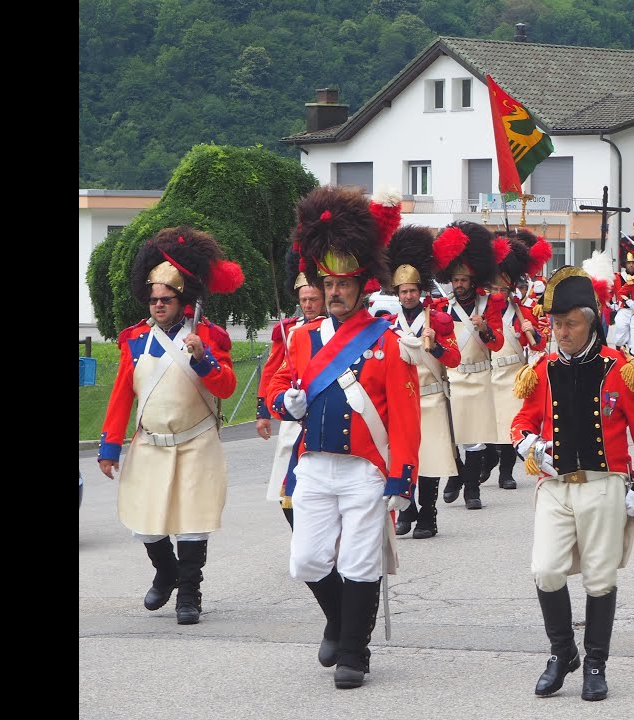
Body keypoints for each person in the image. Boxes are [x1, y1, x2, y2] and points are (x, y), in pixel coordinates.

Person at [265, 185, 419, 690]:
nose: (333, 292)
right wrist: (282, 404)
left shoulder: (386, 341)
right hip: (312, 464)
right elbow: (278, 391)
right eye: (327, 283)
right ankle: (340, 621)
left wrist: (403, 478)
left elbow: (405, 418)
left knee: (359, 561)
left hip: (364, 468)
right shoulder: (302, 338)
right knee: (307, 559)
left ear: (362, 286)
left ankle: (355, 651)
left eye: (342, 284)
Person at [510, 254, 634, 702]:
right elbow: (520, 422)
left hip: (604, 485)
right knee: (546, 569)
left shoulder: (621, 368)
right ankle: (562, 652)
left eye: (571, 323)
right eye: (556, 324)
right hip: (555, 486)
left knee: (600, 577)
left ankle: (595, 662)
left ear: (590, 322)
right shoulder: (541, 370)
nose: (562, 332)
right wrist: (527, 445)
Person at [97, 226, 244, 624]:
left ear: (183, 300)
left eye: (166, 299)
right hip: (150, 441)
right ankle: (166, 571)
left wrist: (203, 359)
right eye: (153, 298)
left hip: (197, 439)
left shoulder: (209, 336)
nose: (158, 304)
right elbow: (122, 396)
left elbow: (227, 388)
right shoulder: (134, 339)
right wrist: (109, 447)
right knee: (145, 521)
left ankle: (190, 594)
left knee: (194, 520)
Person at [386, 225, 461, 539]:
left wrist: (438, 343)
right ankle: (409, 511)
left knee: (429, 459)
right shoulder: (390, 325)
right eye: (403, 291)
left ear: (420, 291)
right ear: (397, 294)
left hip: (430, 396)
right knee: (405, 458)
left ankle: (428, 516)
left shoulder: (437, 320)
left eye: (412, 290)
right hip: (402, 399)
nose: (408, 295)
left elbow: (455, 359)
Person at [432, 221, 504, 509]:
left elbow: (496, 344)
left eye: (464, 280)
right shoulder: (441, 308)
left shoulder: (489, 305)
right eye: (456, 280)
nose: (459, 284)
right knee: (455, 437)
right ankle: (458, 475)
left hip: (480, 377)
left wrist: (485, 327)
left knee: (475, 440)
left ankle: (472, 490)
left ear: (473, 280)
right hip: (453, 378)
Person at [256, 250, 326, 528]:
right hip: (290, 413)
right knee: (285, 489)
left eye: (313, 299)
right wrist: (263, 411)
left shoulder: (335, 329)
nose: (308, 305)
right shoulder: (287, 330)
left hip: (321, 411)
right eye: (303, 300)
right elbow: (272, 371)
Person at [486, 230, 551, 489]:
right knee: (490, 423)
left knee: (512, 420)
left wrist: (531, 332)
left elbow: (540, 344)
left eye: (502, 288)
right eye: (493, 288)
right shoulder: (483, 311)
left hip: (514, 372)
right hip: (489, 371)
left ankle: (506, 472)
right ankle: (488, 460)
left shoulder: (522, 312)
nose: (497, 293)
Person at [608, 239, 634, 350]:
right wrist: (612, 305)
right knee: (620, 336)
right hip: (622, 310)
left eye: (633, 263)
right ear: (625, 264)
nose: (631, 265)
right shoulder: (617, 277)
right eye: (629, 263)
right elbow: (609, 293)